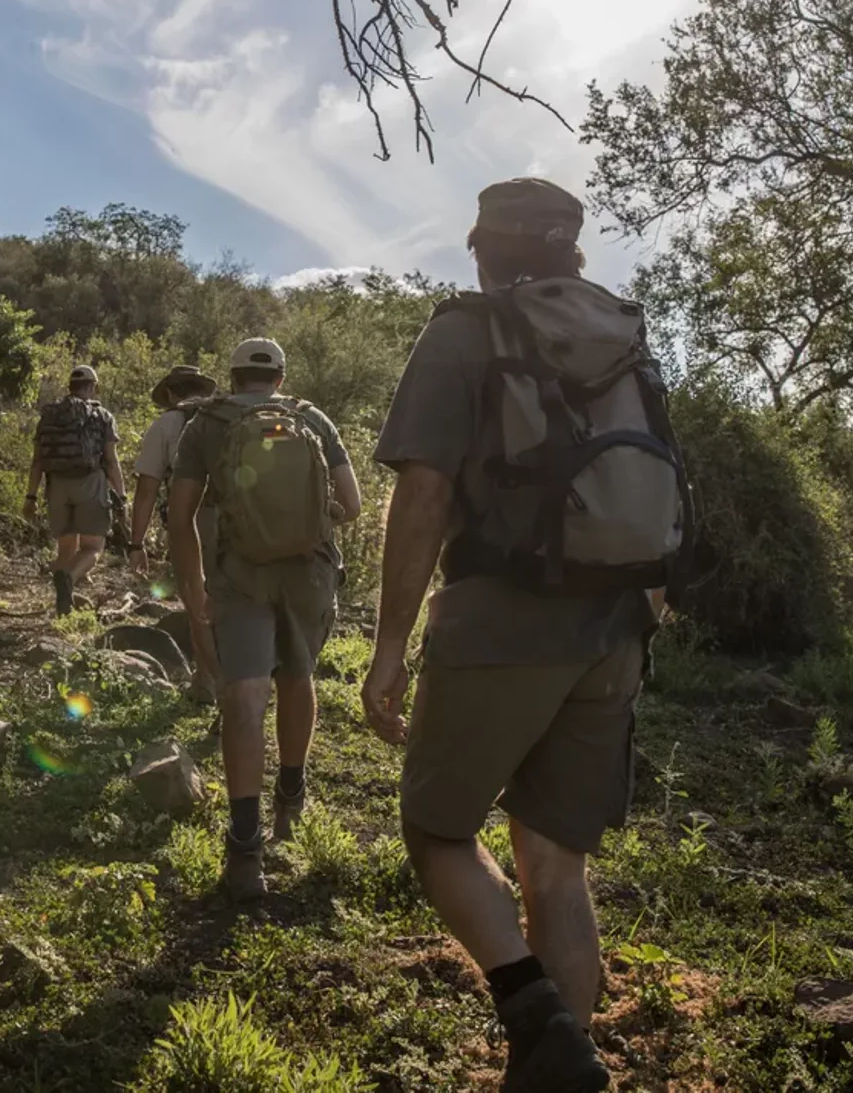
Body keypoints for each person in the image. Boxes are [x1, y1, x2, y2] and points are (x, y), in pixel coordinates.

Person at [362, 178, 675, 1093]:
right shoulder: (625, 335)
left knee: (436, 832)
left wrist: (389, 645)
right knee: (555, 867)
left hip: (501, 615)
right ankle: (553, 1067)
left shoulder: (465, 330)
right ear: (574, 251)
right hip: (615, 623)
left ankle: (534, 1017)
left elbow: (423, 494)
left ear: (482, 248)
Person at [167, 337, 363, 899]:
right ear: (280, 377)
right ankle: (291, 800)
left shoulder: (207, 423)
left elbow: (181, 518)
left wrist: (194, 589)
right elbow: (351, 506)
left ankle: (245, 850)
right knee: (298, 679)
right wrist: (303, 515)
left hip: (239, 573)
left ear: (231, 377)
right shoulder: (311, 419)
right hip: (308, 573)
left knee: (245, 699)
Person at [24, 364, 125, 617]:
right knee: (93, 547)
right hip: (90, 482)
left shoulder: (49, 415)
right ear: (92, 387)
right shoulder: (102, 416)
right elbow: (111, 460)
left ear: (70, 386)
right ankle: (68, 580)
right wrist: (122, 495)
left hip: (57, 485)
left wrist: (31, 496)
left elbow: (37, 460)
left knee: (66, 548)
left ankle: (63, 605)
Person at [126, 362, 220, 581]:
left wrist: (136, 544)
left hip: (188, 518)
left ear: (169, 393)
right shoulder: (224, 418)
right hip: (236, 518)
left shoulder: (164, 424)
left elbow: (146, 491)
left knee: (192, 586)